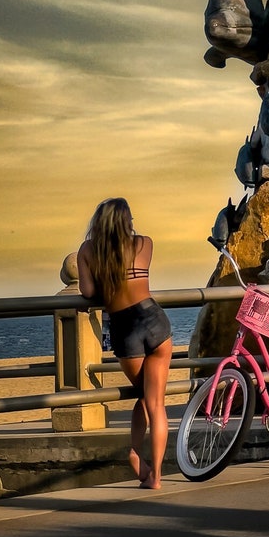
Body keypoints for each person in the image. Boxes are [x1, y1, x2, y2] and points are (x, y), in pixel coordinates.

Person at [77, 199, 172, 490]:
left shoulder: (89, 251)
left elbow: (88, 291)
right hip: (154, 319)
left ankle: (134, 451)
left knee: (146, 397)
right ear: (128, 220)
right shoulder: (145, 243)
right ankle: (155, 475)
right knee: (154, 402)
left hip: (124, 325)